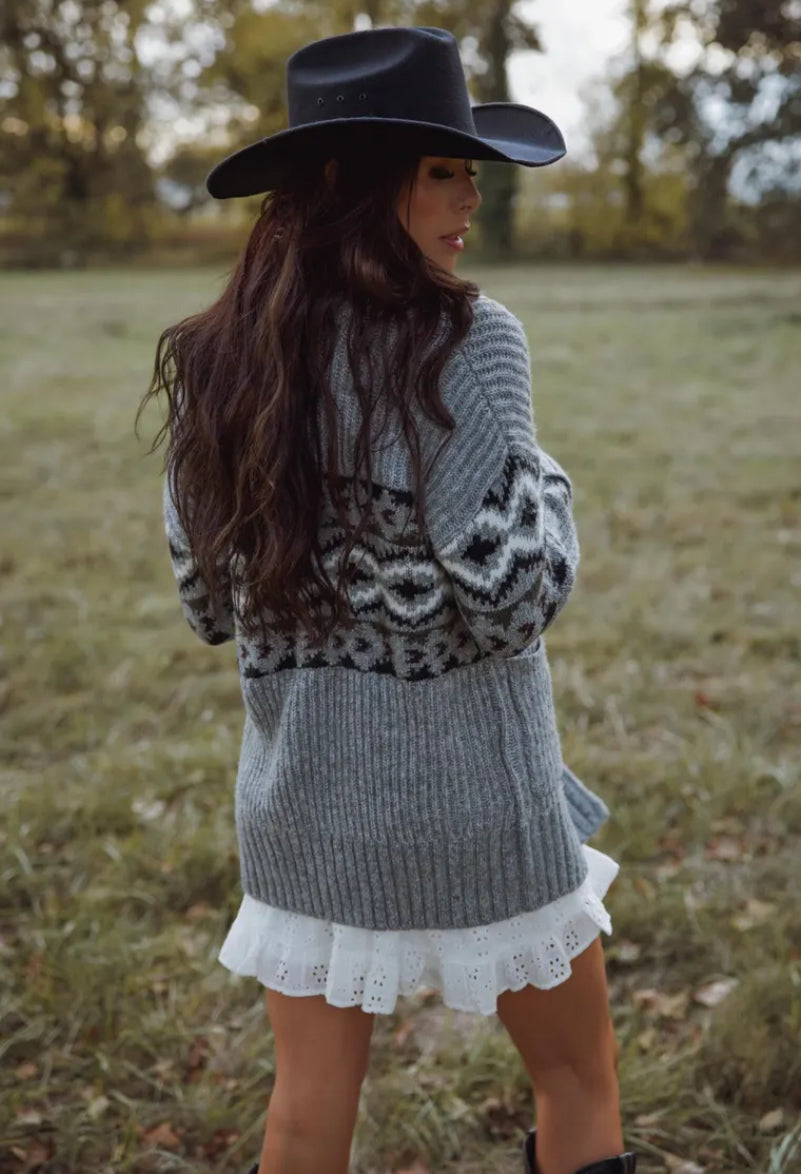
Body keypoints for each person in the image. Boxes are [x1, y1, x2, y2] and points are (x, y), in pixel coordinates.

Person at [137, 24, 638, 1174]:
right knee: (577, 1075)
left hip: (305, 805)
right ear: (356, 187)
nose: (472, 198)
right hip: (479, 807)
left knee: (306, 1110)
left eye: (472, 170)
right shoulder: (468, 339)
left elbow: (205, 604)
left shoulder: (219, 360)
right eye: (443, 169)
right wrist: (544, 475)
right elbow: (517, 593)